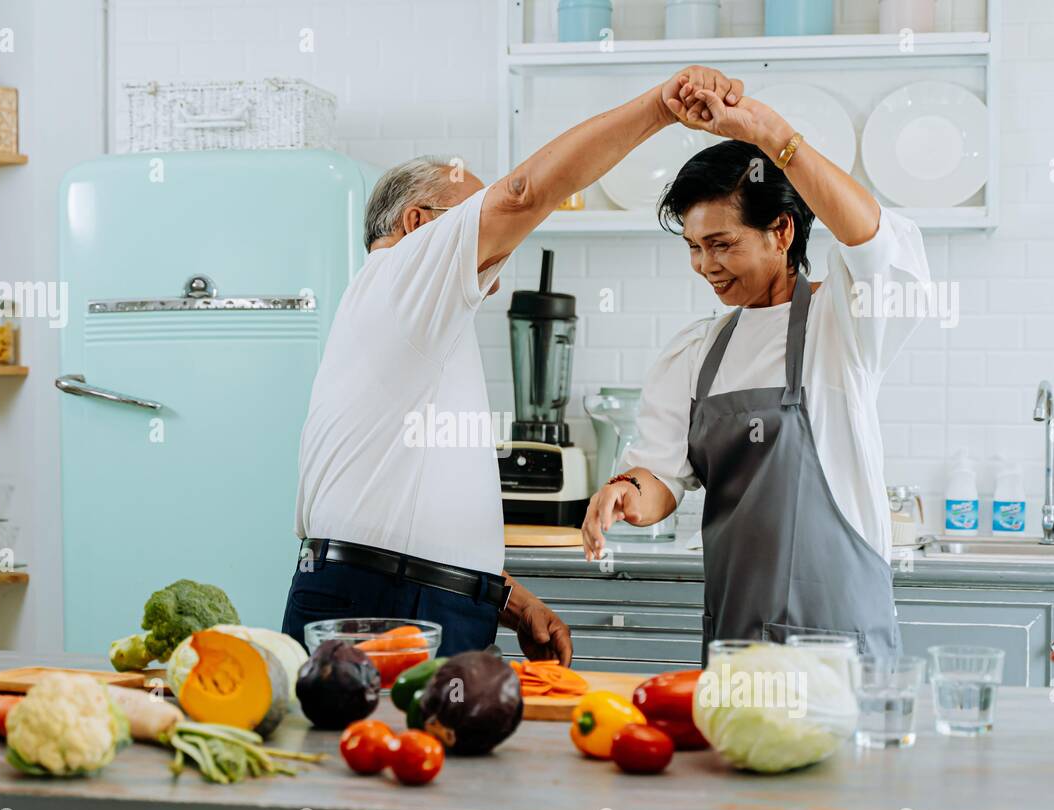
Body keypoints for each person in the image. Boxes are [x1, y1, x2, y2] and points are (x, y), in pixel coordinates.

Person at [284, 67, 745, 661]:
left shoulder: (412, 320)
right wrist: (660, 107)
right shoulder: (402, 276)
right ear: (418, 225)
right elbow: (523, 194)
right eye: (471, 210)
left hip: (405, 599)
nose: (505, 237)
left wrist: (506, 599)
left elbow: (407, 510)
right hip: (387, 609)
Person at [581, 86, 931, 658]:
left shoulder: (842, 323)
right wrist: (624, 494)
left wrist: (770, 135)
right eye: (694, 247)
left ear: (782, 231)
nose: (705, 266)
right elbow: (661, 475)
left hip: (841, 642)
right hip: (738, 643)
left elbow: (872, 240)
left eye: (721, 244)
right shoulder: (698, 349)